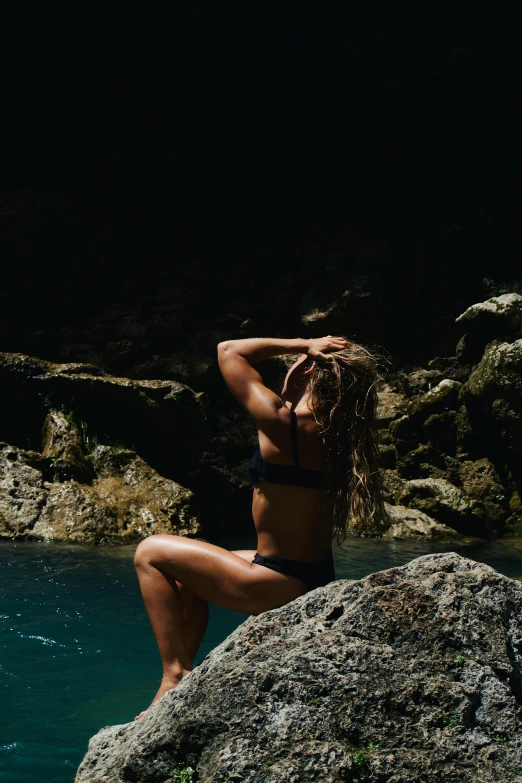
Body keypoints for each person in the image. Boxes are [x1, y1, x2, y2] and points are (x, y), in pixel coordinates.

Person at [134, 335, 385, 718]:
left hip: (273, 583)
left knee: (150, 552)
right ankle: (188, 668)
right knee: (186, 576)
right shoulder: (339, 435)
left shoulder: (281, 422)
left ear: (312, 369)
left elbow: (228, 350)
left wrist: (303, 343)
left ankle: (174, 673)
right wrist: (292, 391)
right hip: (311, 577)